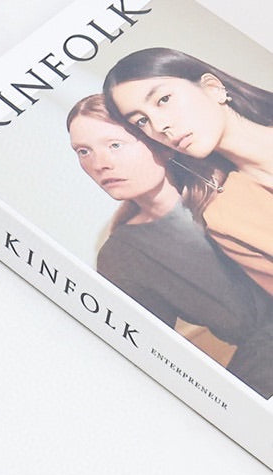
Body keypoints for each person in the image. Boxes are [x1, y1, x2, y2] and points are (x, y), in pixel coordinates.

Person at [66, 94, 273, 397]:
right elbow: (149, 364)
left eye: (114, 145)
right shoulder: (123, 255)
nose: (100, 164)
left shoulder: (233, 174)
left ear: (157, 142)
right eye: (84, 151)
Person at [104, 48, 273, 294]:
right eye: (141, 121)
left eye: (163, 99)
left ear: (213, 87)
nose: (159, 126)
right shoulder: (226, 219)